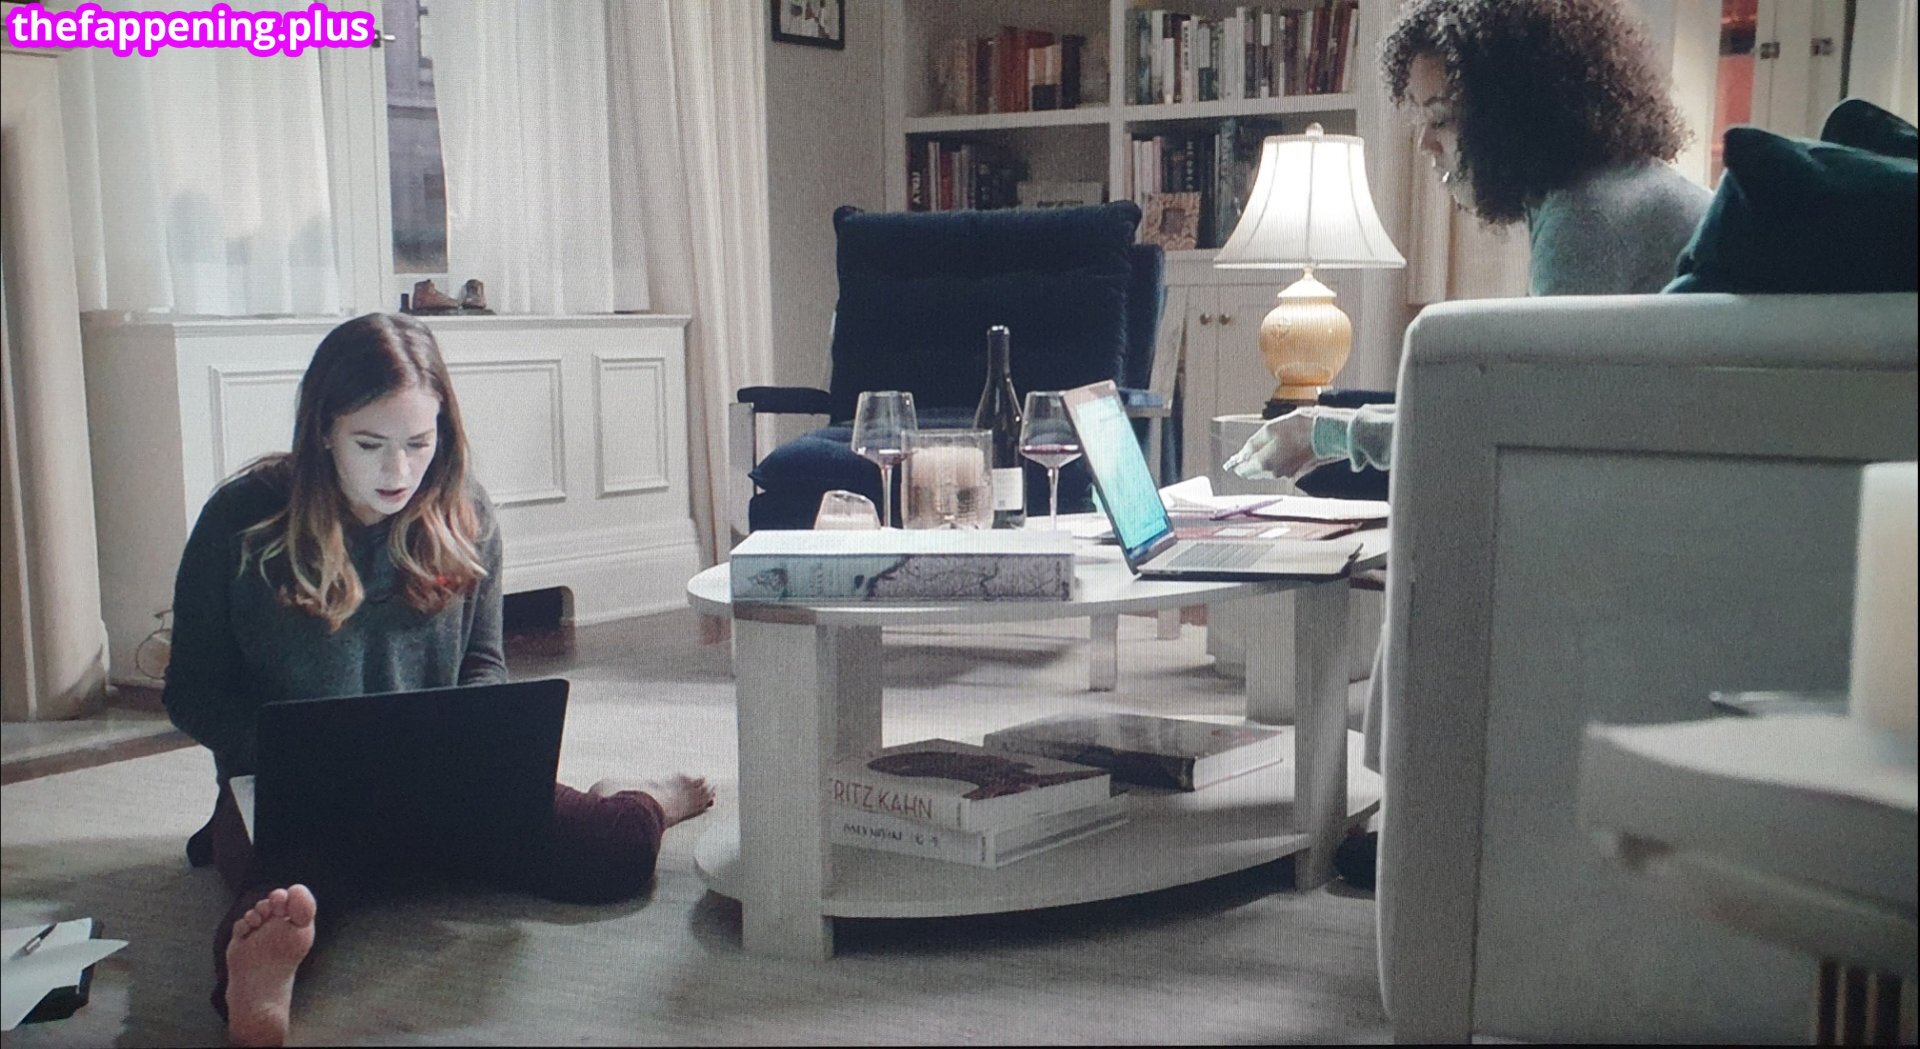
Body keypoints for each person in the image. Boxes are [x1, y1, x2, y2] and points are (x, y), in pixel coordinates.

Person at [1223, 0, 1714, 886]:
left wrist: (1326, 430)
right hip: (1667, 489)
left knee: (1442, 542)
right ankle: (1416, 806)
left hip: (1645, 516)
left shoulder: (1586, 217)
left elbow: (1513, 423)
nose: (1427, 143)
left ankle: (1424, 815)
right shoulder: (1624, 187)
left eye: (1444, 117)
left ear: (1515, 112)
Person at [163, 312, 716, 1047]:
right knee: (280, 900)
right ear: (323, 429)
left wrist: (485, 751)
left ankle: (645, 797)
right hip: (297, 797)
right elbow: (190, 690)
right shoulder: (241, 520)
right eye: (370, 444)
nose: (397, 472)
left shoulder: (465, 511)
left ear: (442, 434)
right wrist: (271, 750)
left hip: (445, 786)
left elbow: (484, 663)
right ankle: (258, 989)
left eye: (418, 444)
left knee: (613, 853)